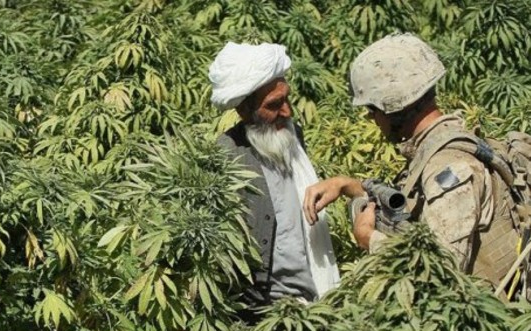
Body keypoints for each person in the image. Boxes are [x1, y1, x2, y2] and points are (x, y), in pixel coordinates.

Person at [303, 33, 518, 288]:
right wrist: (347, 185)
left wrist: (369, 239)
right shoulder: (441, 142)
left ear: (391, 108)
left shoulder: (449, 168)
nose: (371, 119)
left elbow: (441, 274)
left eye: (372, 111)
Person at [208, 42, 340, 308]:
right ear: (244, 110)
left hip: (315, 301)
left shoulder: (292, 136)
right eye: (274, 105)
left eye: (286, 99)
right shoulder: (226, 156)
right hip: (265, 313)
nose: (288, 111)